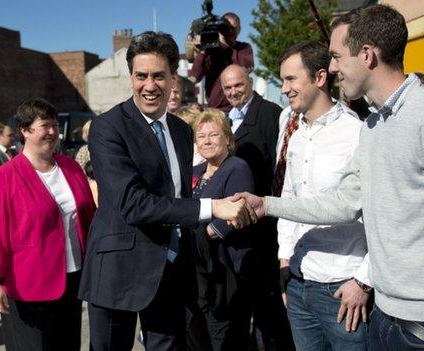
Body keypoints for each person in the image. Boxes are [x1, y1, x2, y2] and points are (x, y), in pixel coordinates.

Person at [236, 4, 424, 350]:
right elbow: (343, 203)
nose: (333, 66)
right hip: (385, 315)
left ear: (368, 55)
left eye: (338, 56)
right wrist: (266, 205)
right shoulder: (374, 126)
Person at [78, 31, 253, 350]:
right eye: (140, 76)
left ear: (174, 77)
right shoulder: (108, 128)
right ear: (130, 76)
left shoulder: (183, 132)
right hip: (119, 270)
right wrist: (214, 207)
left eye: (158, 76)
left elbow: (178, 197)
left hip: (171, 269)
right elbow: (133, 204)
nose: (149, 85)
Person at [0, 98, 96, 351]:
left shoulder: (71, 167)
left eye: (55, 125)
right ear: (24, 130)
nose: (53, 131)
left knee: (68, 345)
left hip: (73, 278)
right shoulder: (5, 177)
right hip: (28, 284)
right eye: (45, 125)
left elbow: (90, 217)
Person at [277, 41, 369, 350]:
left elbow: (381, 215)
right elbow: (290, 200)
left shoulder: (357, 133)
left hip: (343, 291)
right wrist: (284, 261)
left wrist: (364, 281)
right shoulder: (297, 135)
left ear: (319, 78)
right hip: (299, 283)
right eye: (282, 80)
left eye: (291, 79)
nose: (285, 88)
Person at [220, 64, 291, 349]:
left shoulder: (271, 114)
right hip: (236, 225)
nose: (234, 91)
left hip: (264, 223)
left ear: (250, 83)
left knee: (268, 306)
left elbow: (280, 169)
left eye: (238, 85)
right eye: (228, 88)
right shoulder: (226, 118)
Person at [191, 108, 255, 350]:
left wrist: (200, 235)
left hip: (225, 268)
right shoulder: (195, 172)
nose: (207, 141)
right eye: (201, 136)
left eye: (213, 135)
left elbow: (236, 215)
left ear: (227, 138)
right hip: (198, 267)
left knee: (224, 336)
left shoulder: (236, 167)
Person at [189, 13, 254, 112]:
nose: (230, 31)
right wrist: (203, 49)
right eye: (227, 28)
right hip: (215, 110)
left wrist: (225, 46)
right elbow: (194, 77)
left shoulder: (243, 48)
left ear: (239, 29)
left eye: (233, 28)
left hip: (240, 107)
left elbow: (245, 69)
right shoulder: (210, 51)